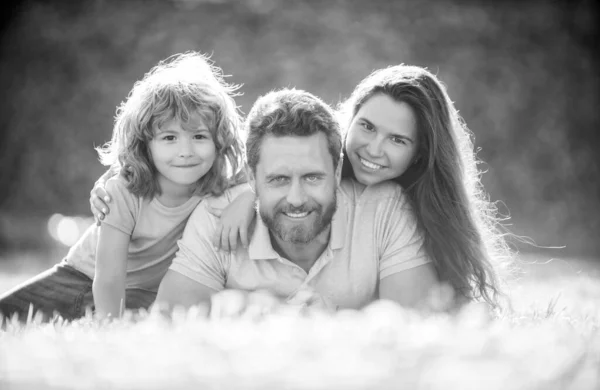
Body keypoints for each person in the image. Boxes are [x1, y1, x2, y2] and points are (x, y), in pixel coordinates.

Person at [186, 65, 512, 310]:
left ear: (420, 154)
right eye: (367, 127)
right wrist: (247, 196)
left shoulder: (415, 204)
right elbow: (278, 168)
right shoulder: (325, 156)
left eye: (397, 140)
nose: (372, 149)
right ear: (349, 121)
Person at [0, 51, 246, 322]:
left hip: (142, 293)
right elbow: (108, 278)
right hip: (82, 278)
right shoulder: (124, 192)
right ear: (145, 144)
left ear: (219, 140)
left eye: (199, 136)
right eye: (169, 137)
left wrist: (244, 201)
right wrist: (110, 325)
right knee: (7, 314)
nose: (185, 151)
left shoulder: (219, 184)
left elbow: (265, 179)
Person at [152, 88, 439, 313]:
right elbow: (170, 327)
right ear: (251, 178)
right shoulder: (216, 218)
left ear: (338, 171)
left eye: (313, 177)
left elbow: (415, 325)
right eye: (279, 180)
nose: (297, 199)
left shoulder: (384, 209)